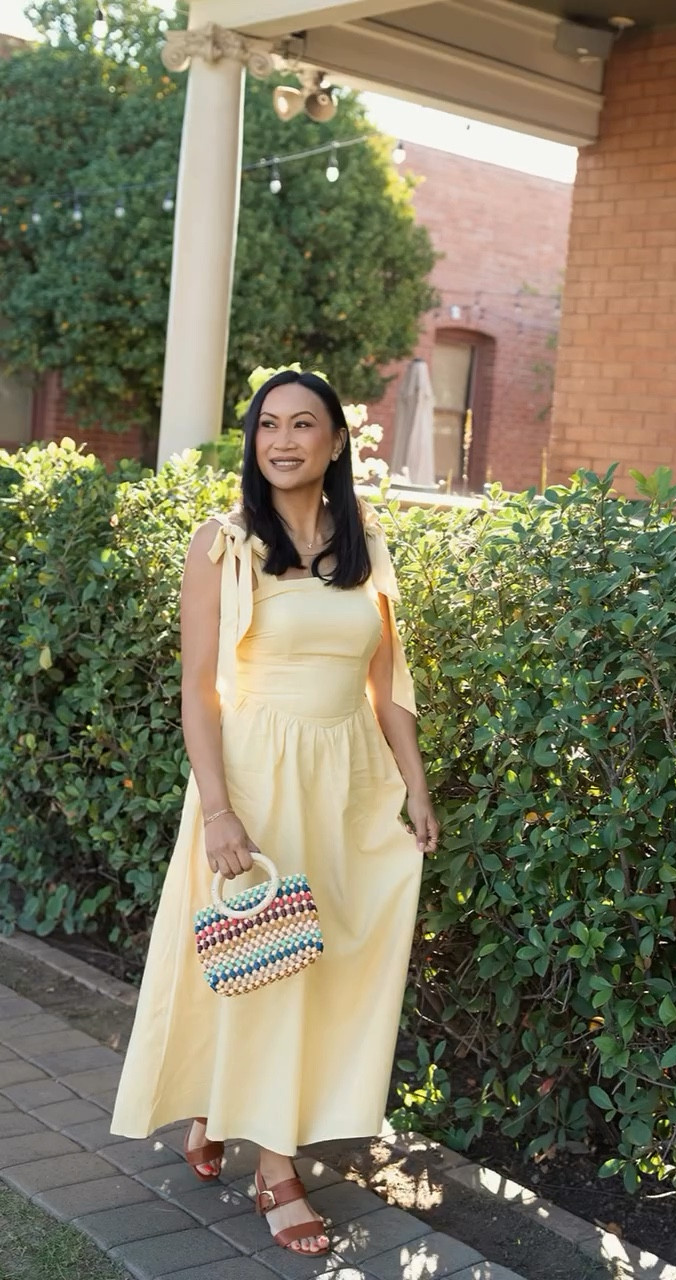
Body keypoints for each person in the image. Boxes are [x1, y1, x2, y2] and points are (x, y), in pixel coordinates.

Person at [111, 369, 439, 1256]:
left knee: (318, 960)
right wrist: (217, 811)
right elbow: (197, 688)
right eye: (268, 426)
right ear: (254, 443)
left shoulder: (366, 538)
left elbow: (387, 679)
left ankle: (223, 1107)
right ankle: (277, 1167)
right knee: (265, 962)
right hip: (257, 779)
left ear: (337, 441)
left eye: (304, 425)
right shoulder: (223, 542)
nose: (284, 441)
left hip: (350, 776)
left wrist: (415, 782)